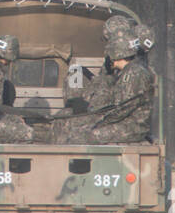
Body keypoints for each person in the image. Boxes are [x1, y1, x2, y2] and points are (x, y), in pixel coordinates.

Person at [51, 16, 155, 144]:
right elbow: (105, 80)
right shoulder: (123, 64)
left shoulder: (135, 67)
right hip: (101, 102)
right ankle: (75, 104)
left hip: (110, 109)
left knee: (78, 132)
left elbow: (122, 106)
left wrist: (95, 116)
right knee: (75, 71)